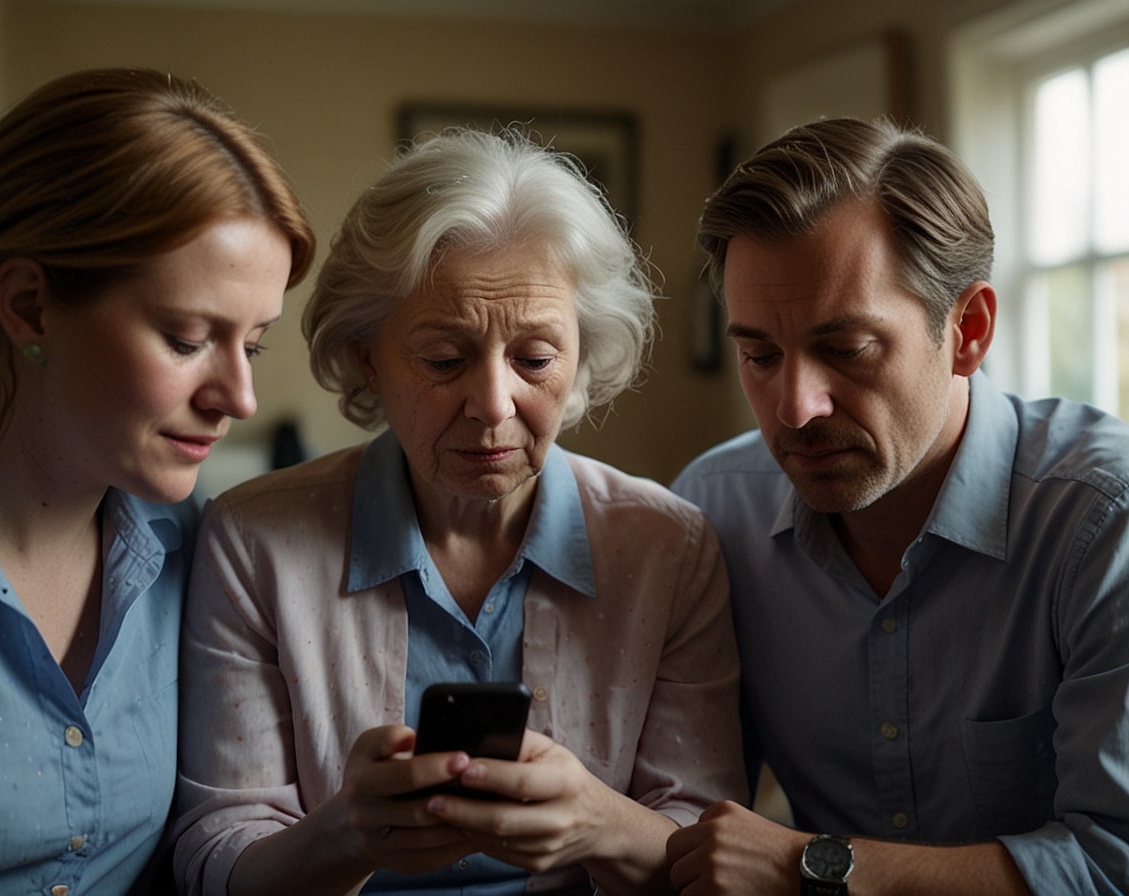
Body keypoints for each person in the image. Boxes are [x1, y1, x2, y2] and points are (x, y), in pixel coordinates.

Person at [665, 117, 1129, 895]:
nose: (794, 407)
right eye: (759, 355)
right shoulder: (714, 511)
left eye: (846, 349)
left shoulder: (1126, 516)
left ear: (968, 330)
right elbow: (683, 805)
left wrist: (809, 867)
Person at [170, 126, 747, 896]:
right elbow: (216, 855)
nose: (493, 404)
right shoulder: (255, 541)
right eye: (444, 359)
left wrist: (595, 821)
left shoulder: (667, 547)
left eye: (535, 359)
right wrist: (348, 834)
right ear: (368, 356)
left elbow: (713, 848)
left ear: (583, 352)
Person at [0, 67, 315, 894]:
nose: (240, 397)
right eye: (188, 339)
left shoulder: (199, 548)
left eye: (252, 345)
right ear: (29, 307)